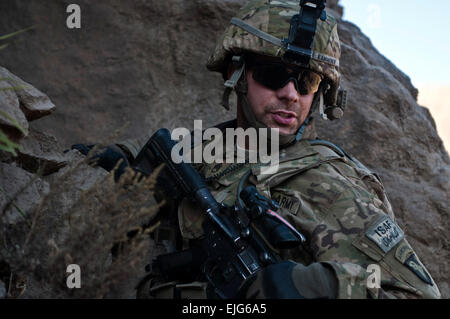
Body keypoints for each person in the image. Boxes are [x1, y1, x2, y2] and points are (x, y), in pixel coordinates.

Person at [73, 0, 441, 299]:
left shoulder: (331, 188)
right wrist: (122, 164)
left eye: (307, 80)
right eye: (272, 74)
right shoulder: (205, 150)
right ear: (237, 73)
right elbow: (158, 154)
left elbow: (417, 294)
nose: (290, 93)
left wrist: (313, 286)